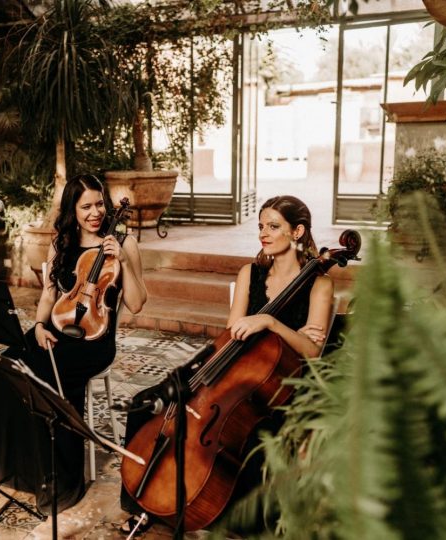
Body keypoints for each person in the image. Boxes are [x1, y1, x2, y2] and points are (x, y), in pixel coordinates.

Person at [119, 195, 334, 535]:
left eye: (273, 227)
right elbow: (234, 331)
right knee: (147, 403)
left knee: (252, 445)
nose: (263, 233)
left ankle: (229, 523)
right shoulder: (250, 272)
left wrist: (271, 323)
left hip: (280, 387)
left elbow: (312, 352)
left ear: (298, 232)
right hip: (231, 367)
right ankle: (142, 506)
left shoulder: (320, 284)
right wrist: (270, 326)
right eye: (261, 226)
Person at [0, 174, 147, 514]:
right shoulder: (61, 242)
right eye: (86, 206)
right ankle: (8, 467)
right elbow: (50, 295)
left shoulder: (124, 241)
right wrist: (37, 325)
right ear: (72, 209)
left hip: (94, 339)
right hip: (53, 328)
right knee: (2, 371)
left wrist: (122, 260)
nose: (95, 213)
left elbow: (138, 303)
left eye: (99, 204)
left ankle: (58, 481)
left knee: (47, 381)